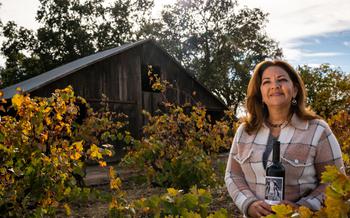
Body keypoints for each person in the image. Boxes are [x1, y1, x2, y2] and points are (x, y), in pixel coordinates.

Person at [224, 60, 345, 217]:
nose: (275, 85)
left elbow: (335, 181)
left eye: (281, 79)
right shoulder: (245, 131)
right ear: (260, 93)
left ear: (294, 90)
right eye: (267, 82)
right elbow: (233, 175)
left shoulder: (317, 130)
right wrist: (249, 204)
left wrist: (303, 208)